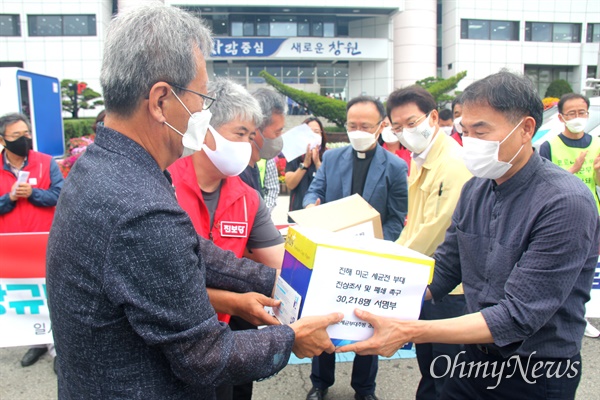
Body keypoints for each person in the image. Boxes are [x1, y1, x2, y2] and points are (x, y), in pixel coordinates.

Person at [45, 5, 342, 399]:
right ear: (161, 101)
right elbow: (204, 356)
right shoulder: (140, 206)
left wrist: (281, 283)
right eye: (201, 99)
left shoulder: (101, 166)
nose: (203, 113)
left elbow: (193, 251)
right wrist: (290, 337)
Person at [337, 71, 600, 399]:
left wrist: (410, 329)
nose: (470, 141)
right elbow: (445, 269)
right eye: (464, 131)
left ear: (526, 129)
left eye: (482, 130)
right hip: (473, 355)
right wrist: (366, 293)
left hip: (537, 369)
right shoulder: (476, 188)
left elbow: (518, 315)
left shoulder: (565, 202)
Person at [168, 78, 286, 400]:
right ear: (206, 131)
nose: (248, 145)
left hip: (222, 339)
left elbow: (279, 267)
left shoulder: (248, 198)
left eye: (251, 136)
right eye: (240, 134)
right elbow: (164, 283)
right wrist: (234, 300)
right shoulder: (164, 186)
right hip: (168, 342)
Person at [303, 96, 408, 400]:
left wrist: (376, 242)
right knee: (326, 317)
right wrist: (312, 207)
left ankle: (364, 388)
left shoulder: (395, 166)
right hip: (332, 253)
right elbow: (315, 192)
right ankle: (320, 382)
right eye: (352, 125)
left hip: (372, 256)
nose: (357, 130)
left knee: (367, 321)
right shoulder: (333, 159)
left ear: (380, 127)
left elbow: (397, 217)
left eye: (365, 125)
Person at [387, 86, 471, 400]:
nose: (405, 133)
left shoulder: (453, 162)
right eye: (397, 128)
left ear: (433, 117)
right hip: (425, 279)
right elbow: (415, 222)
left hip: (449, 287)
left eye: (411, 123)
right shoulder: (420, 158)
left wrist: (389, 260)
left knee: (447, 373)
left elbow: (436, 228)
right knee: (430, 365)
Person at [0, 112, 64, 371]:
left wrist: (34, 194)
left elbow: (61, 195)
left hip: (45, 243)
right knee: (27, 295)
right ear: (3, 139)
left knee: (53, 295)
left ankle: (58, 347)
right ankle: (35, 342)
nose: (24, 139)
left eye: (26, 134)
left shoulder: (46, 162)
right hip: (12, 249)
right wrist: (9, 199)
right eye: (16, 136)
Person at [539, 92, 600, 338]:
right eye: (572, 113)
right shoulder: (550, 145)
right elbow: (542, 185)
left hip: (593, 217)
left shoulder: (597, 143)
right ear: (562, 117)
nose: (578, 117)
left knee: (587, 271)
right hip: (562, 219)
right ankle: (553, 318)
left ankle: (579, 317)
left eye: (582, 112)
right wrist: (572, 169)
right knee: (561, 270)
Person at [239, 88, 286, 214]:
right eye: (277, 131)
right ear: (256, 130)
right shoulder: (238, 174)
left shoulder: (253, 165)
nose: (280, 137)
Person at [285, 116, 327, 221]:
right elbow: (290, 184)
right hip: (297, 213)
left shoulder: (328, 155)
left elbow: (331, 183)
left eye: (317, 132)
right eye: (309, 132)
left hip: (322, 213)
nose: (313, 135)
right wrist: (305, 164)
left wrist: (317, 162)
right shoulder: (294, 156)